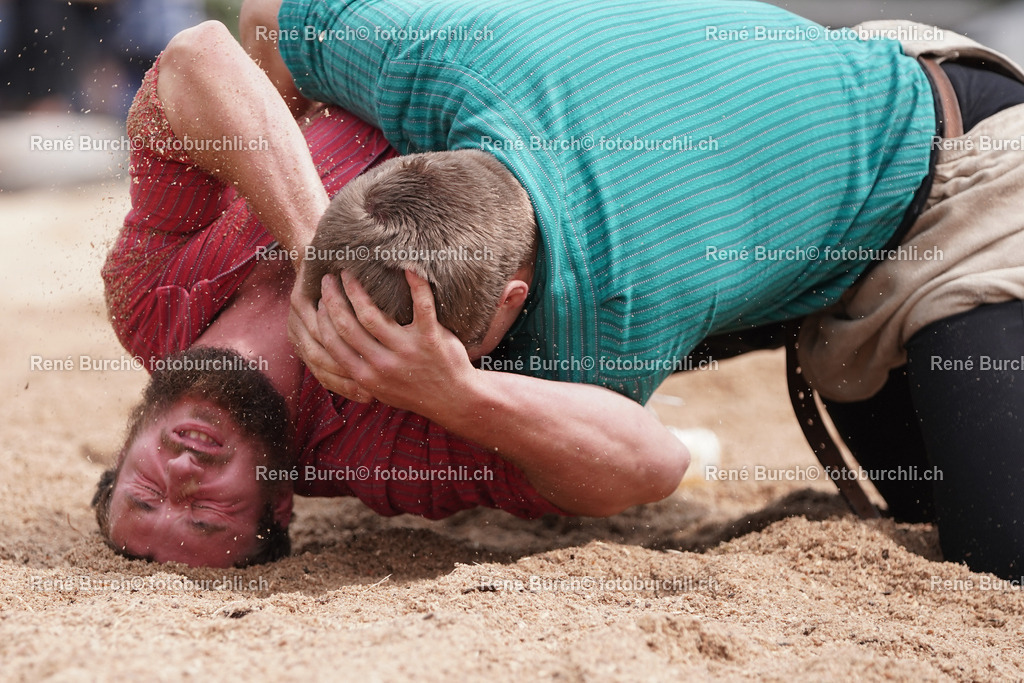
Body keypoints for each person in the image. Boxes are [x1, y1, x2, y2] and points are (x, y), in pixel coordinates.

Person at [262, 0, 1024, 578]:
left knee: (997, 554)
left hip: (965, 180)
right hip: (831, 95)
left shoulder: (607, 324)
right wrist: (303, 239)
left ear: (511, 304)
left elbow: (641, 466)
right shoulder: (438, 61)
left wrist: (455, 390)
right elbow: (270, 14)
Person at [92, 20, 687, 568]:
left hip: (429, 53)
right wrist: (460, 393)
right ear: (278, 504)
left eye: (144, 497)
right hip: (570, 143)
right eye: (204, 516)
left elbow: (198, 56)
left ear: (121, 458)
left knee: (269, 18)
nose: (182, 476)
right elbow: (654, 465)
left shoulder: (149, 299)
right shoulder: (379, 456)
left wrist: (315, 251)